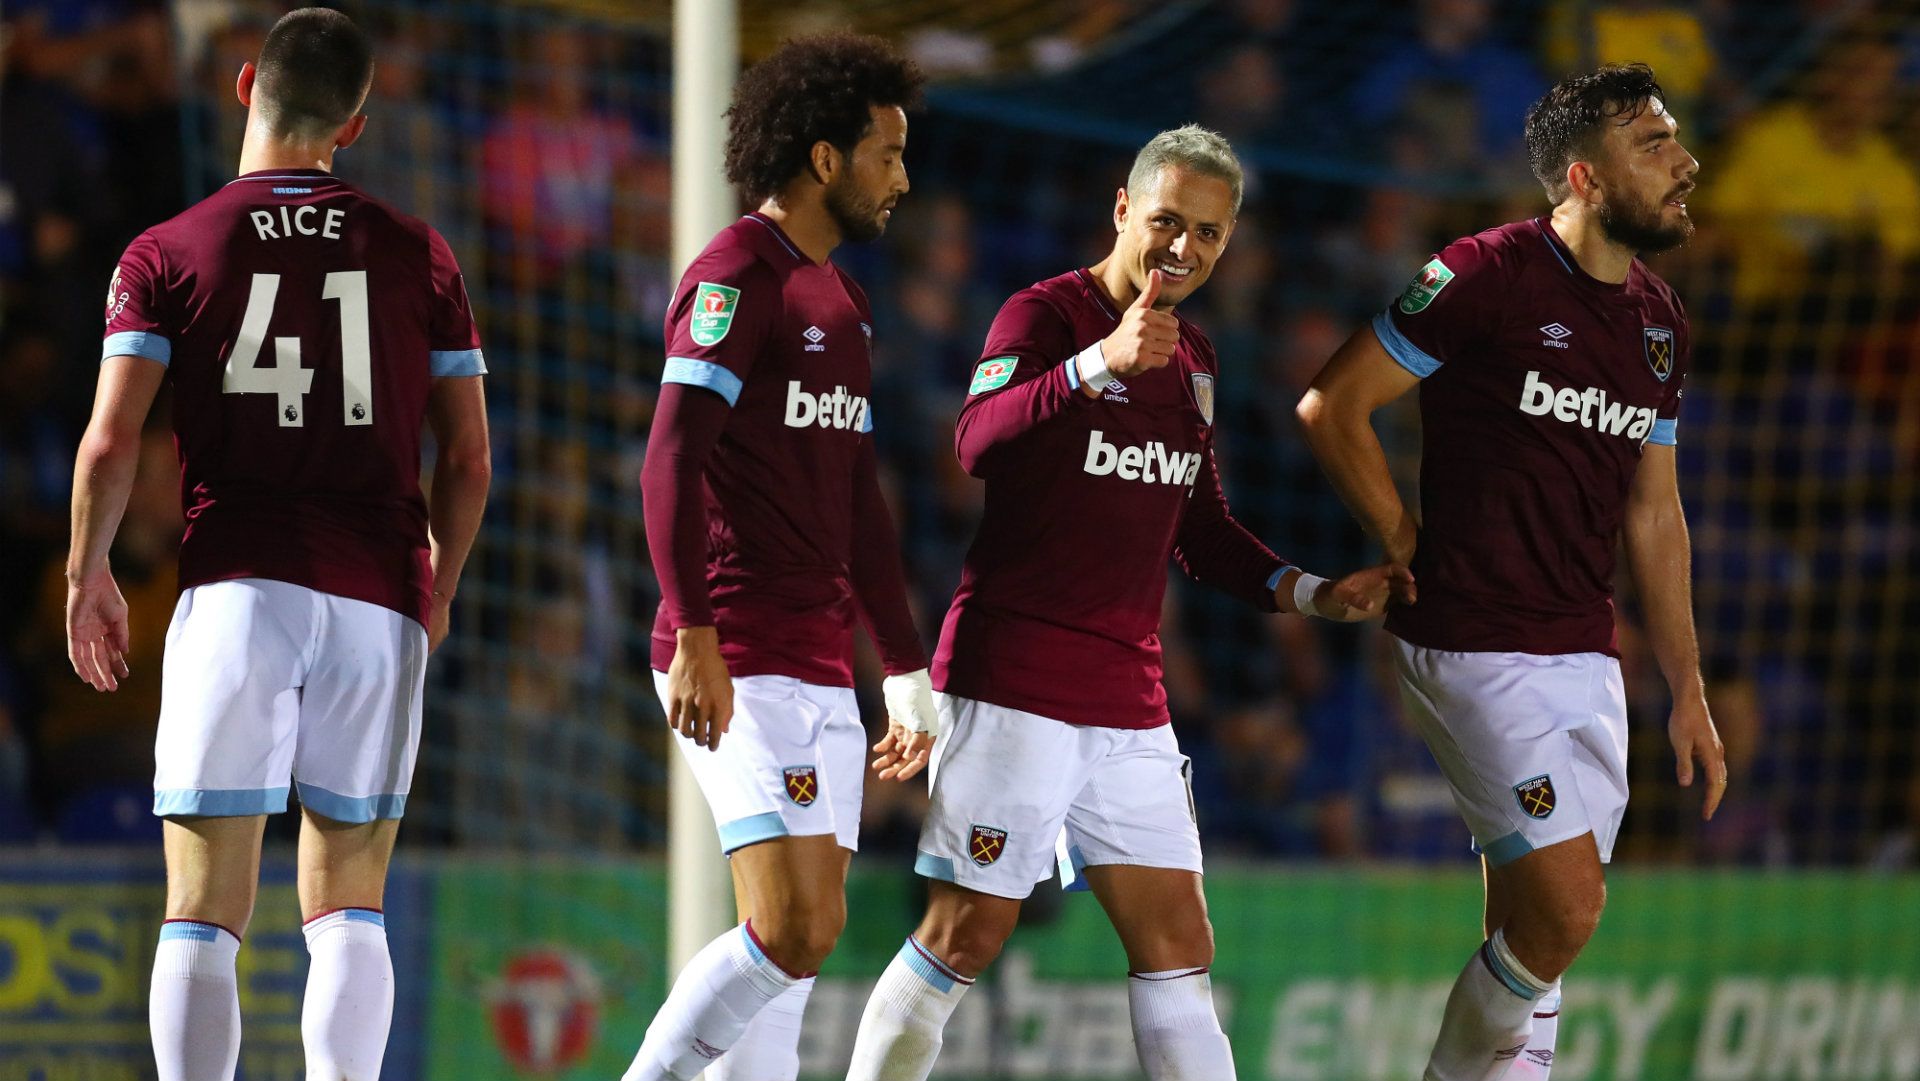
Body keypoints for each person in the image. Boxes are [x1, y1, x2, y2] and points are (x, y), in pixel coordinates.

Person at [844, 125, 1411, 1081]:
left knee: (1179, 943)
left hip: (1130, 697)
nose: (1185, 249)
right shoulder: (1044, 317)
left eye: (1210, 233)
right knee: (964, 931)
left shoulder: (1194, 362)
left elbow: (1201, 528)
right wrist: (1100, 362)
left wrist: (1313, 593)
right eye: (1167, 223)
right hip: (1014, 676)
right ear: (1122, 211)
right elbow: (977, 443)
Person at [65, 9, 491, 1078]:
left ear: (245, 83)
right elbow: (472, 459)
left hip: (237, 589)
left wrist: (90, 569)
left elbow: (114, 437)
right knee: (349, 899)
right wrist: (438, 587)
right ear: (354, 125)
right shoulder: (419, 255)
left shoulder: (168, 250)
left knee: (203, 908)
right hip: (377, 597)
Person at [1295, 64, 1726, 1081]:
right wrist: (1398, 530)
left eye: (1676, 140)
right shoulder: (1484, 274)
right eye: (1654, 146)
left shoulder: (1661, 322)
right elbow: (1331, 405)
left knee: (1538, 933)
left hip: (1584, 651)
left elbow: (1655, 510)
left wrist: (1688, 686)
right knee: (1570, 905)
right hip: (1470, 641)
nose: (1686, 164)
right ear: (1581, 177)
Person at [627, 33, 939, 1081]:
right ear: (822, 160)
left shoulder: (841, 304)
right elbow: (670, 454)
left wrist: (900, 667)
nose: (903, 176)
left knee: (799, 960)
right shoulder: (733, 275)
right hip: (736, 648)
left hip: (816, 664)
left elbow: (857, 498)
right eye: (887, 153)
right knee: (791, 925)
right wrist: (698, 635)